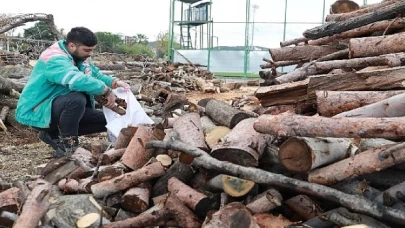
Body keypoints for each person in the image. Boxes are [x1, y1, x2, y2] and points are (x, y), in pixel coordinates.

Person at [15, 27, 130, 157]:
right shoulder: (54, 59)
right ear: (71, 46)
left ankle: (53, 134)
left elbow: (94, 73)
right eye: (87, 50)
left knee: (109, 121)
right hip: (38, 110)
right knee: (76, 99)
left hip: (60, 107)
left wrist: (114, 82)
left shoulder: (80, 55)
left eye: (92, 50)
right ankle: (69, 147)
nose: (90, 53)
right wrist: (106, 90)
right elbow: (75, 80)